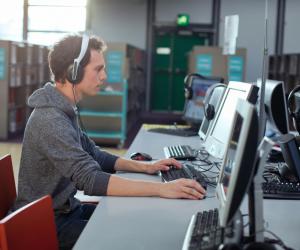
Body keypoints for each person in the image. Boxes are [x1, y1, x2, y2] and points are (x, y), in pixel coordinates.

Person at [13, 34, 206, 249]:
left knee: (137, 217)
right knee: (132, 237)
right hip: (45, 225)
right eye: (98, 69)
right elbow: (90, 179)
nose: (104, 76)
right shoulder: (50, 119)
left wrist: (146, 167)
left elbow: (94, 154)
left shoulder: (63, 109)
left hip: (67, 210)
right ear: (72, 73)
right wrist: (163, 189)